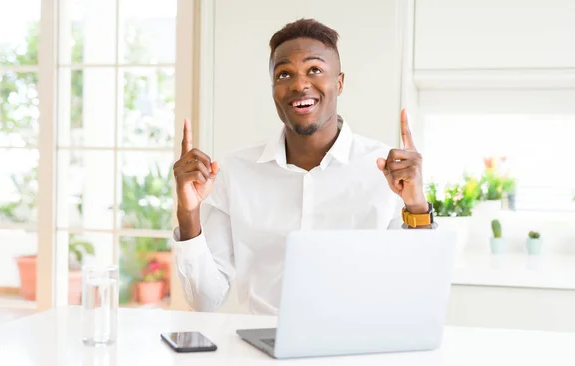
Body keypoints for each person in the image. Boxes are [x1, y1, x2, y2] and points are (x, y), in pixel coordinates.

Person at [172, 18, 435, 315]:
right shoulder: (232, 174)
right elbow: (205, 300)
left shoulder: (387, 172)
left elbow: (415, 288)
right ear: (273, 88)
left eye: (315, 70)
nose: (299, 84)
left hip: (355, 350)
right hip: (260, 353)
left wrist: (416, 207)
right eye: (284, 74)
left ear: (339, 82)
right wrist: (188, 213)